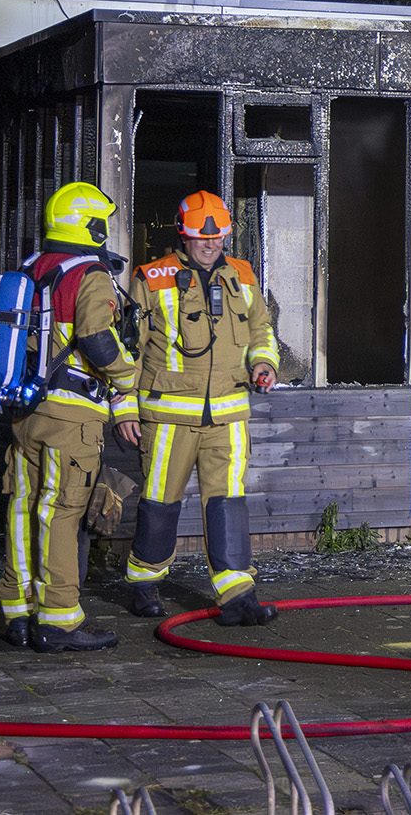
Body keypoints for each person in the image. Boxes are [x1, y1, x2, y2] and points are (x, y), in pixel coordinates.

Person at [120, 191, 282, 627]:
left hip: (228, 415)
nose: (210, 245)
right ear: (182, 234)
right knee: (160, 504)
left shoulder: (242, 275)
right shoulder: (151, 278)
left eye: (218, 238)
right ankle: (143, 584)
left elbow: (260, 328)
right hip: (168, 417)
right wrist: (123, 407)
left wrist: (263, 363)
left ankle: (238, 595)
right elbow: (127, 347)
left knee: (228, 504)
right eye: (200, 238)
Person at [0, 182, 138, 652]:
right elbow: (97, 341)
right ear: (90, 226)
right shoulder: (90, 274)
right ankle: (58, 621)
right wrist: (128, 374)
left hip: (26, 409)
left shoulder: (33, 269)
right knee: (60, 513)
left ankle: (19, 611)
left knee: (23, 506)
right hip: (71, 416)